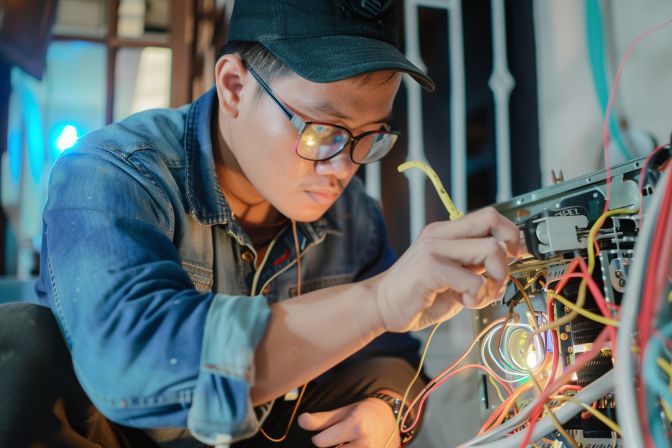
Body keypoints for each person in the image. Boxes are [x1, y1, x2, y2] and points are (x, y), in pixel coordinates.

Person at [0, 0, 520, 447]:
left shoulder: (353, 217)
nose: (342, 168)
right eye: (322, 132)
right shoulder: (112, 172)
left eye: (369, 137)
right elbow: (136, 359)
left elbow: (395, 359)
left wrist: (385, 409)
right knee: (20, 342)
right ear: (233, 87)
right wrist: (378, 302)